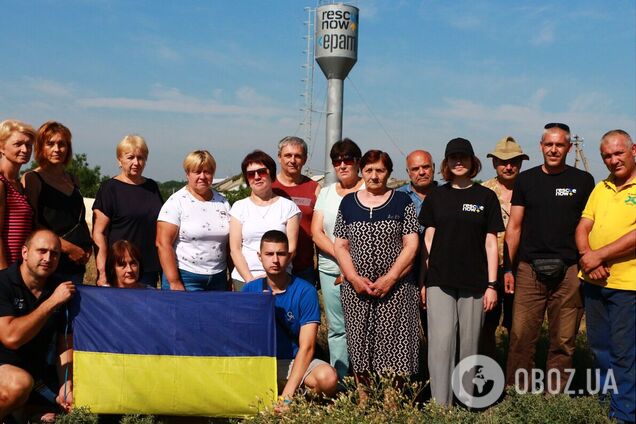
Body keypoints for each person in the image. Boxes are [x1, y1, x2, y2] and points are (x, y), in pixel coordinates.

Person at [504, 123, 595, 391]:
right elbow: (515, 227)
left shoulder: (583, 181)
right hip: (529, 269)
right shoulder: (526, 180)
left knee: (564, 340)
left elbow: (591, 225)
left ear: (568, 147)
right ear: (541, 146)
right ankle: (519, 395)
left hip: (569, 271)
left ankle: (553, 398)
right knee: (521, 337)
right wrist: (508, 269)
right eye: (548, 144)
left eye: (559, 145)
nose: (553, 149)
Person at [419, 138, 503, 406]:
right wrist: (424, 281)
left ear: (472, 162)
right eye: (453, 158)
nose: (458, 162)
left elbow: (491, 243)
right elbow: (428, 241)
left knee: (470, 345)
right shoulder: (436, 196)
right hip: (440, 281)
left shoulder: (486, 197)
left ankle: (467, 402)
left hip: (475, 282)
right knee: (441, 345)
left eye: (463, 157)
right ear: (445, 163)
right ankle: (441, 406)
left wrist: (492, 285)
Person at [333, 150, 420, 400]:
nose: (374, 176)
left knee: (393, 345)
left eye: (380, 170)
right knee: (359, 343)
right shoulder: (348, 203)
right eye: (369, 170)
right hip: (357, 289)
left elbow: (411, 245)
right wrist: (353, 278)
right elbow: (340, 245)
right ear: (362, 172)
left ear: (388, 173)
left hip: (396, 289)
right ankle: (364, 399)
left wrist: (390, 278)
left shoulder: (402, 201)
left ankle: (392, 401)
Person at [575, 129, 635, 423]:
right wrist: (589, 257)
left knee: (625, 353)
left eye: (618, 153)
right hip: (594, 282)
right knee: (599, 348)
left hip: (627, 285)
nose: (613, 160)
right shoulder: (601, 187)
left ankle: (624, 413)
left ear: (633, 150)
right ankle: (604, 404)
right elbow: (583, 226)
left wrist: (601, 255)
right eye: (607, 156)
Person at [242, 230, 337, 409]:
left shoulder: (305, 291)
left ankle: (291, 396)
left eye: (281, 254)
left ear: (290, 256)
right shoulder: (249, 291)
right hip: (262, 362)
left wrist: (287, 396)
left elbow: (307, 347)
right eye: (269, 254)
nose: (275, 260)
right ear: (259, 257)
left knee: (328, 379)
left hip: (295, 360)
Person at [0, 230, 74, 422]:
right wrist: (51, 303)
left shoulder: (60, 287)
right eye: (41, 251)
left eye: (55, 253)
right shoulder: (3, 283)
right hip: (7, 370)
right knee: (19, 384)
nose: (48, 258)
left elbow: (64, 345)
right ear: (25, 252)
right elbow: (11, 338)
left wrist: (66, 386)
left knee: (64, 409)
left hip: (37, 375)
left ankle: (22, 413)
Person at [311, 138, 364, 381]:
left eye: (348, 160)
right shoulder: (326, 192)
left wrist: (350, 264)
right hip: (331, 268)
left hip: (364, 270)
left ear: (358, 162)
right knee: (337, 327)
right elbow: (316, 231)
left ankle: (365, 379)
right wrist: (341, 256)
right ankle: (340, 379)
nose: (342, 165)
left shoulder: (368, 190)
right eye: (337, 161)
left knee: (362, 326)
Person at [23, 122, 92, 286]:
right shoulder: (33, 179)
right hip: (50, 262)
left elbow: (77, 218)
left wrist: (86, 246)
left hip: (76, 264)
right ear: (41, 147)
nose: (57, 149)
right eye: (50, 143)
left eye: (62, 144)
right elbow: (34, 223)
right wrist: (68, 248)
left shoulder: (73, 179)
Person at [478, 136, 528, 360]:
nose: (509, 166)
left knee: (519, 326)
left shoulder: (530, 188)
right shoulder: (483, 192)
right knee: (486, 325)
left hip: (522, 269)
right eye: (503, 161)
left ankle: (515, 376)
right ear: (494, 163)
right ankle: (488, 372)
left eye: (514, 161)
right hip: (489, 271)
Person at [92, 135, 163, 287]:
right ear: (119, 160)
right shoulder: (109, 188)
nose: (136, 162)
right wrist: (103, 272)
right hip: (120, 269)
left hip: (147, 269)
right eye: (130, 157)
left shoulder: (152, 187)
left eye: (141, 158)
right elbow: (99, 233)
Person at [157, 150, 230, 291]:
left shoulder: (223, 202)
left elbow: (230, 244)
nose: (202, 176)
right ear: (188, 174)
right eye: (197, 172)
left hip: (218, 277)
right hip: (186, 277)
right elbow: (162, 243)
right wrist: (174, 281)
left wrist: (230, 277)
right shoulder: (176, 202)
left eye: (207, 172)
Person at [229, 150, 300, 291]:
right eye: (250, 174)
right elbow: (235, 249)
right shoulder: (239, 207)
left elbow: (292, 249)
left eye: (261, 172)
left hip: (279, 279)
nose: (256, 177)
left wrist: (271, 276)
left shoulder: (288, 207)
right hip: (244, 279)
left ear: (271, 173)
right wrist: (250, 281)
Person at [272, 136, 320, 285]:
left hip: (303, 267)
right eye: (288, 155)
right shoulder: (269, 186)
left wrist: (318, 266)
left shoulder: (314, 188)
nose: (292, 160)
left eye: (298, 156)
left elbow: (320, 230)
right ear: (279, 157)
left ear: (305, 159)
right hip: (273, 266)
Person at [0, 120, 35, 270]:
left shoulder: (19, 185)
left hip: (18, 268)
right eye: (18, 144)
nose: (25, 149)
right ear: (1, 147)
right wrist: (4, 273)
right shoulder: (1, 183)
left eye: (28, 145)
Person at [396, 150, 437, 217]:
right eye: (415, 169)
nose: (421, 172)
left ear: (433, 168)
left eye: (425, 167)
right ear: (408, 172)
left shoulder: (448, 193)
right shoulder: (396, 197)